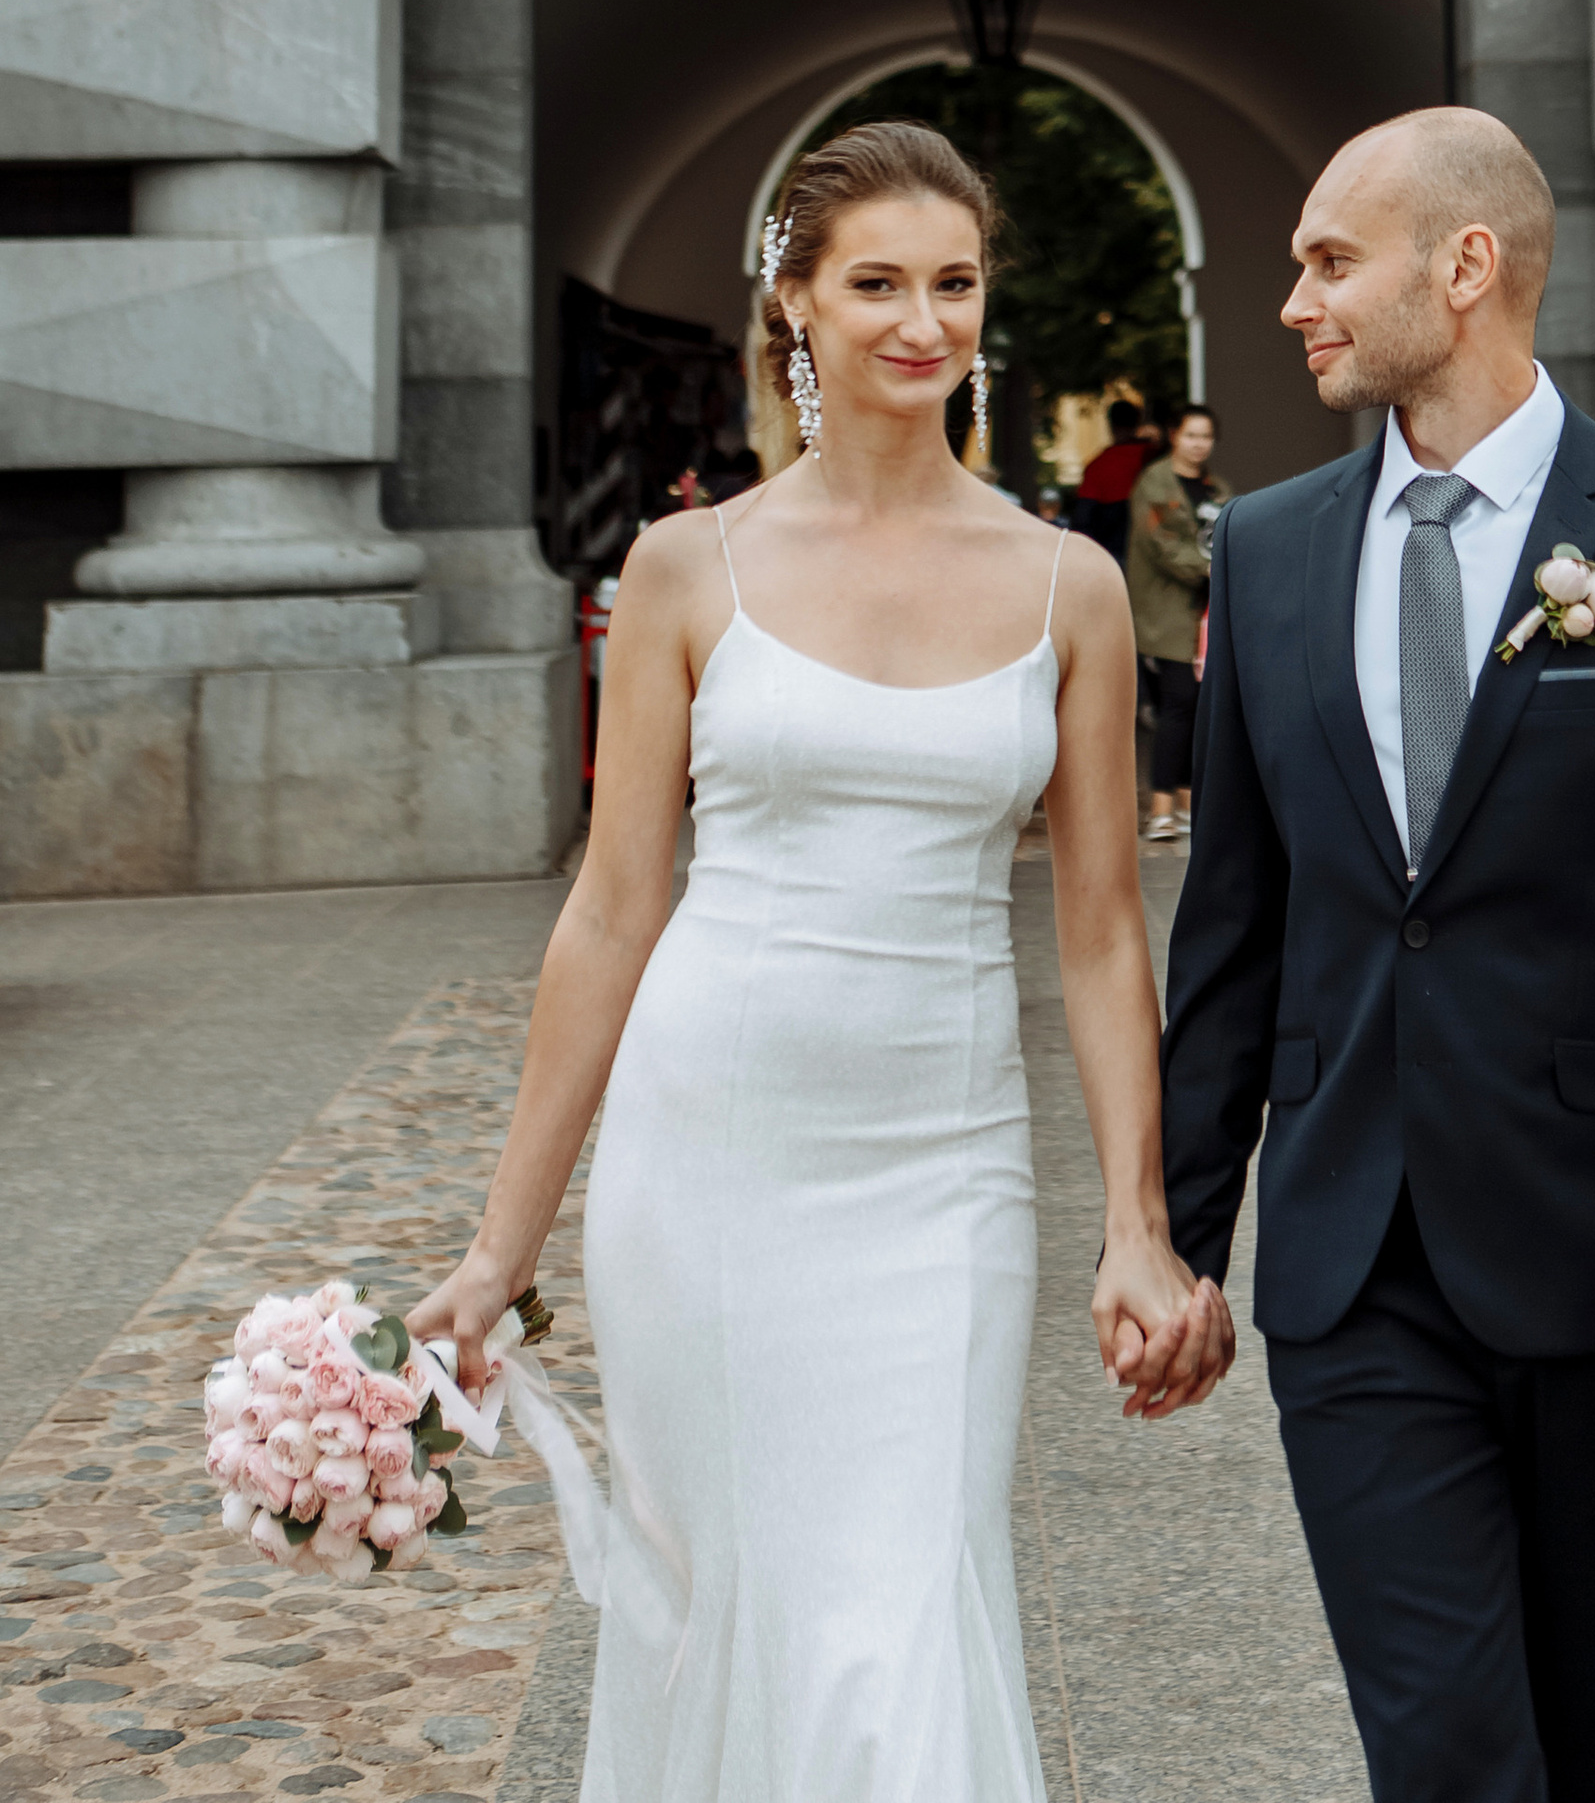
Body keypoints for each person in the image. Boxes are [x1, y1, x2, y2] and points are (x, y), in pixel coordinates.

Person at [409, 121, 1234, 1802]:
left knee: (903, 1610)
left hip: (942, 1171)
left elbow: (1094, 934)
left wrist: (1138, 1228)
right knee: (724, 1614)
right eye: (876, 283)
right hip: (704, 1155)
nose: (921, 321)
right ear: (796, 302)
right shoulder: (683, 567)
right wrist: (502, 1251)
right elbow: (614, 910)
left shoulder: (1067, 584)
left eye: (954, 282)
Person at [1159, 107, 1595, 1803]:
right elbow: (1235, 927)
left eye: (1328, 260)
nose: (1296, 301)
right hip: (1353, 1272)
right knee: (1451, 1757)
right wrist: (1173, 1240)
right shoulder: (1270, 548)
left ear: (1463, 270)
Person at [1125, 403, 1224, 843]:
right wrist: (1211, 567)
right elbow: (1164, 547)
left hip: (1205, 618)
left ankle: (1186, 803)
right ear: (1173, 436)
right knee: (1178, 704)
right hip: (1167, 614)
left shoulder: (1216, 487)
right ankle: (1160, 809)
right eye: (1190, 435)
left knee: (1199, 708)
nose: (1198, 444)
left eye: (1205, 436)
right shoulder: (1155, 483)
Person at [1067, 398, 1151, 567]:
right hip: (1148, 548)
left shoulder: (1097, 465)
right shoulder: (1154, 457)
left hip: (1112, 550)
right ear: (1137, 423)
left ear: (1110, 425)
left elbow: (1083, 519)